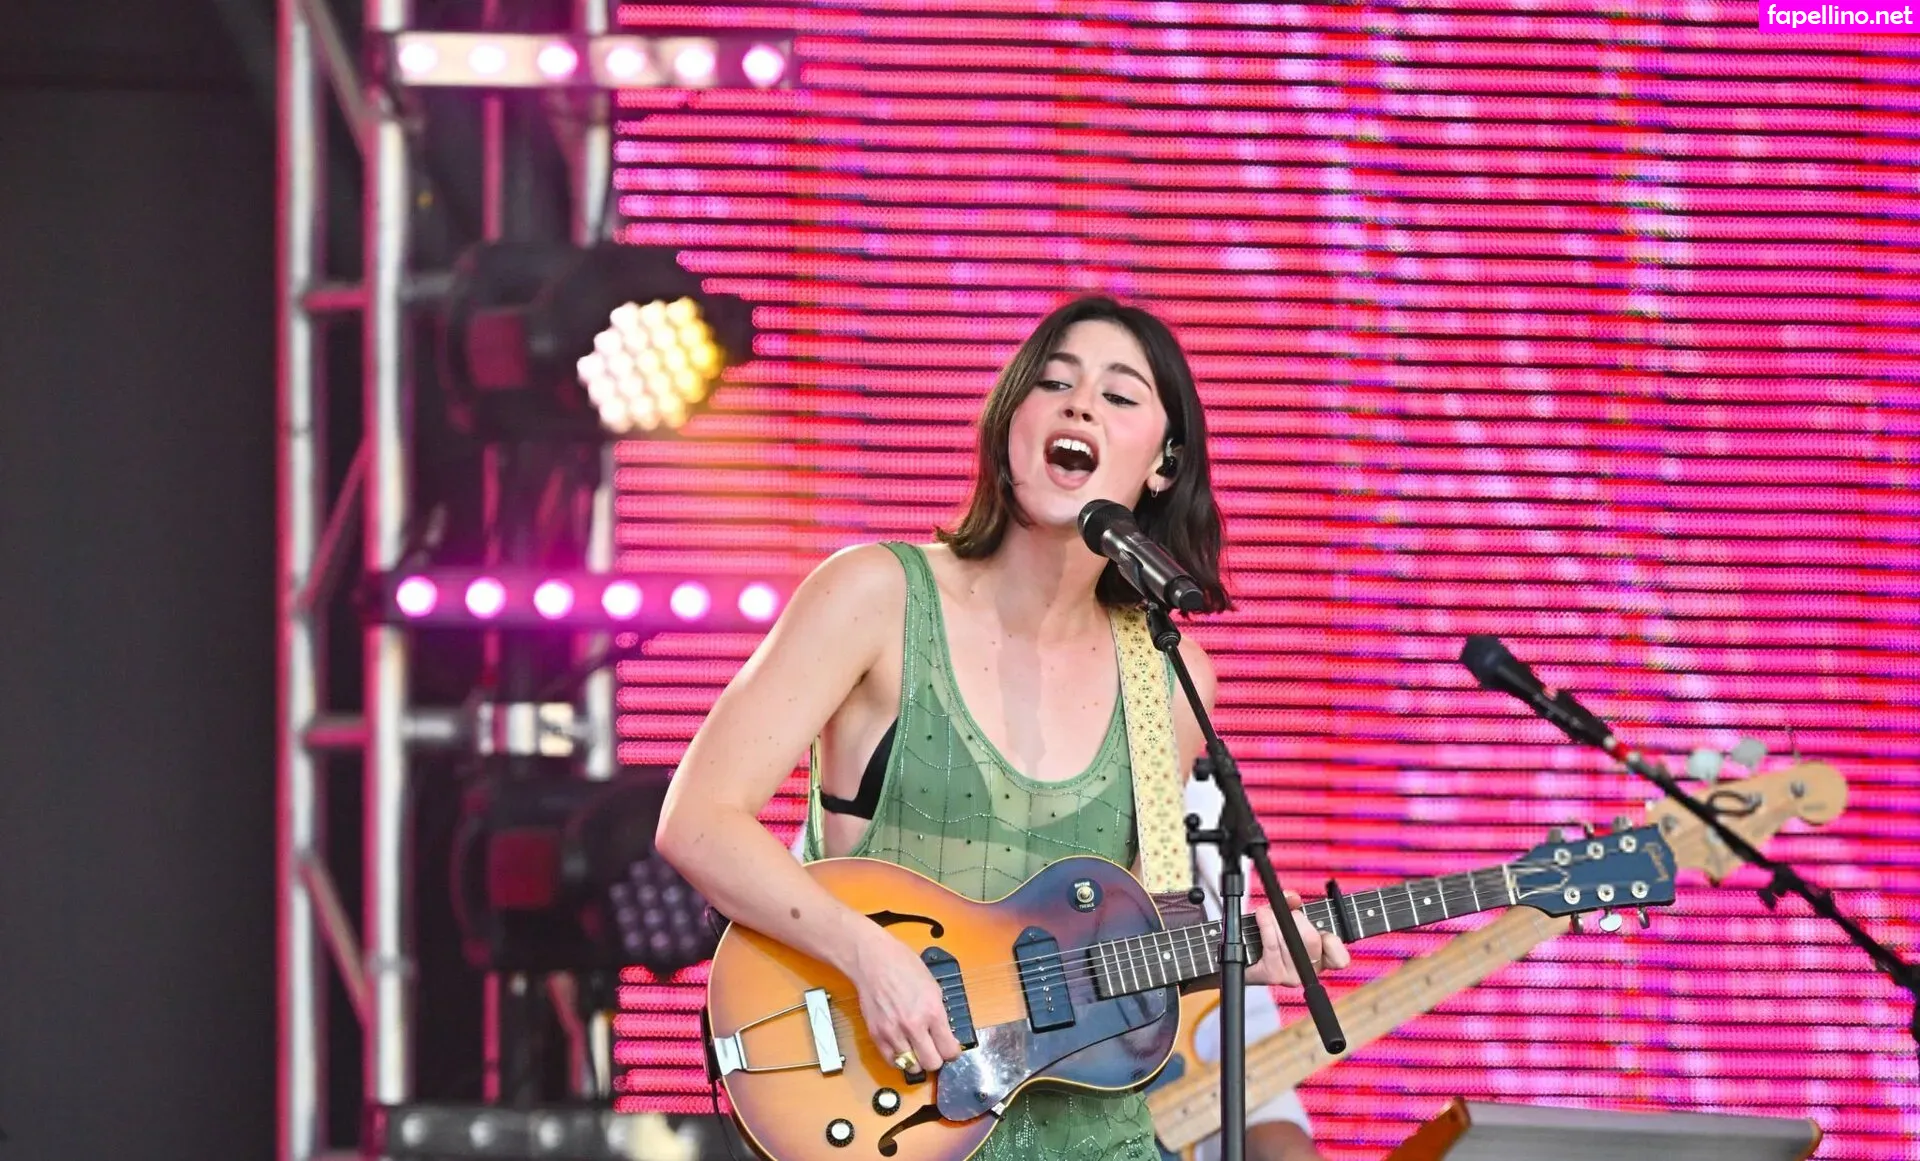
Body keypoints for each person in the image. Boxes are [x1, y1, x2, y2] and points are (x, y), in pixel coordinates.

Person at [655, 295, 1350, 1161]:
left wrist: (1238, 949)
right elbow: (697, 821)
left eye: (1118, 395)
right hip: (889, 1114)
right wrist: (871, 957)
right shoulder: (875, 594)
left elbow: (1132, 938)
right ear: (1011, 421)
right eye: (1054, 382)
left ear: (1163, 466)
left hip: (1085, 1140)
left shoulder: (1167, 673)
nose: (1080, 405)